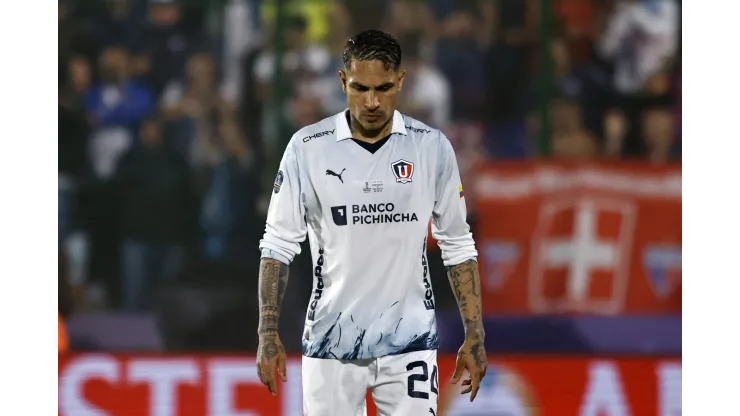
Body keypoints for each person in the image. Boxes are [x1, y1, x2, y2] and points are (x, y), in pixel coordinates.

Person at [256, 30, 488, 415]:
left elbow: (457, 244)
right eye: (360, 88)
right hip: (330, 345)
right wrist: (267, 330)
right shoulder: (307, 148)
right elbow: (277, 245)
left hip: (409, 343)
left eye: (383, 88)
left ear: (401, 80)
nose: (373, 101)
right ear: (343, 80)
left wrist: (475, 333)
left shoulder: (431, 147)